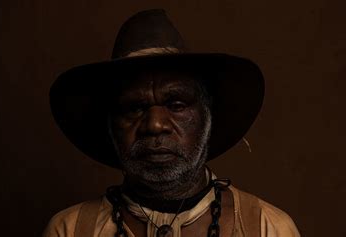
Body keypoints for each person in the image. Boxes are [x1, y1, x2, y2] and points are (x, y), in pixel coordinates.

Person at [43, 9, 300, 237]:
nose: (155, 125)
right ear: (111, 127)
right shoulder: (69, 230)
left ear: (207, 119)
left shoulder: (269, 228)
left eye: (176, 105)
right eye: (134, 108)